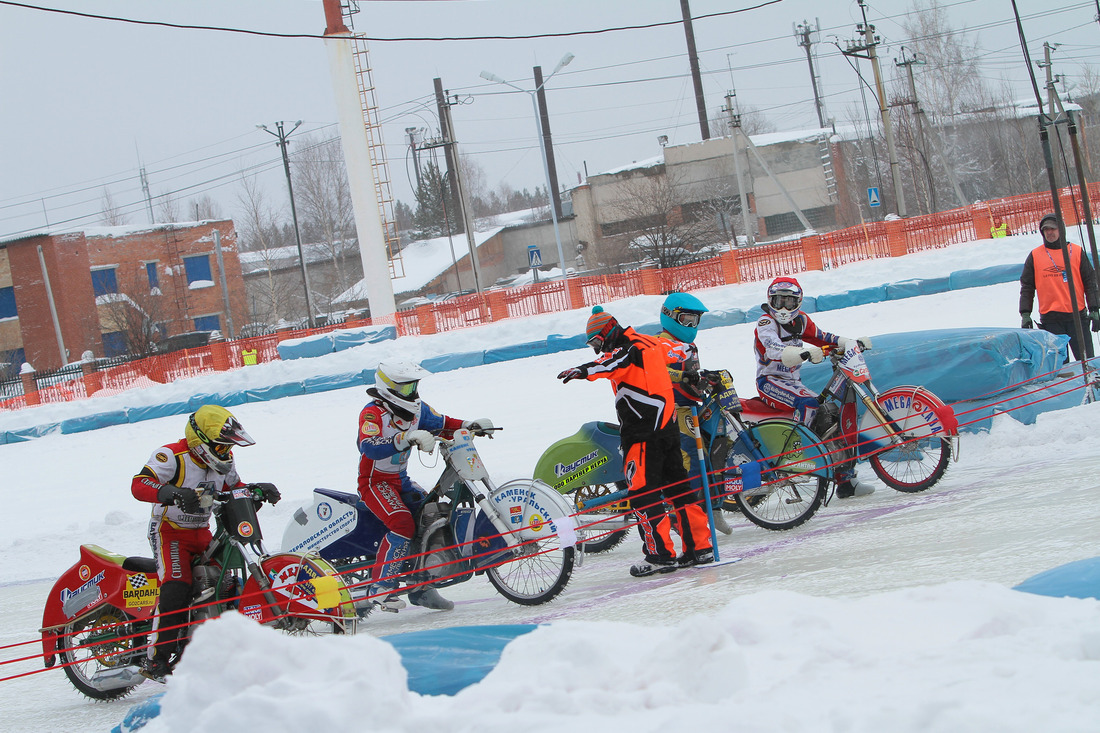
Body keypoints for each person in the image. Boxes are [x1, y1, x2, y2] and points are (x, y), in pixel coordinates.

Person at [558, 306, 713, 576]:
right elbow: (682, 350)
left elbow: (607, 365)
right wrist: (688, 368)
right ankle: (700, 548)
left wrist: (581, 370)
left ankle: (659, 555)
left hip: (642, 436)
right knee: (680, 489)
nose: (597, 349)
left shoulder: (626, 349)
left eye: (597, 342)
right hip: (667, 430)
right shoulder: (651, 341)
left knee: (643, 495)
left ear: (607, 332)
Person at [131, 405, 279, 680]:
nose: (225, 453)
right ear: (202, 442)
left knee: (225, 583)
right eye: (221, 447)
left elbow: (234, 488)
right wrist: (172, 493)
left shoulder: (226, 460)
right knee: (177, 585)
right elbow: (139, 484)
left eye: (227, 448)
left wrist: (258, 489)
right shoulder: (171, 456)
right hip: (169, 532)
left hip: (201, 532)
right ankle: (155, 659)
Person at [357, 359, 493, 612]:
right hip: (374, 483)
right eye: (407, 388)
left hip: (401, 481)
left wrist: (468, 426)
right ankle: (380, 587)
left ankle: (421, 589)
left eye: (414, 386)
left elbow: (442, 422)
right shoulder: (372, 413)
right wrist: (404, 437)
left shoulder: (417, 410)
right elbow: (368, 446)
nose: (413, 392)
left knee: (430, 517)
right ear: (389, 388)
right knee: (402, 523)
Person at [754, 277, 874, 499]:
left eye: (788, 302)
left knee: (829, 413)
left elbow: (821, 337)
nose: (782, 307)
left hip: (793, 382)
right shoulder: (765, 322)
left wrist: (848, 342)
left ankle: (846, 480)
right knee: (809, 404)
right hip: (769, 381)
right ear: (770, 301)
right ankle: (795, 458)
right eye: (778, 301)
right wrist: (798, 353)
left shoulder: (801, 320)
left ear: (797, 302)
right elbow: (772, 346)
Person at [656, 292, 732, 537]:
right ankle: (685, 515)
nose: (691, 326)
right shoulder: (660, 343)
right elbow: (661, 373)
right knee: (692, 458)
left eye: (695, 321)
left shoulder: (689, 345)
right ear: (670, 316)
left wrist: (707, 380)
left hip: (694, 403)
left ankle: (715, 507)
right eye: (687, 320)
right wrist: (686, 378)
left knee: (717, 449)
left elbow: (692, 376)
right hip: (675, 409)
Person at [1019, 213, 1099, 363]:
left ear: (1061, 229)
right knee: (1060, 368)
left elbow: (1090, 282)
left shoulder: (1076, 251)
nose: (1049, 232)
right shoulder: (1035, 256)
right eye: (1046, 229)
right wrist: (1025, 313)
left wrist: (1094, 308)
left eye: (1053, 228)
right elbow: (1027, 287)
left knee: (1088, 363)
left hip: (1077, 317)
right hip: (1051, 320)